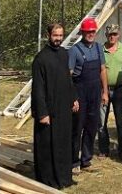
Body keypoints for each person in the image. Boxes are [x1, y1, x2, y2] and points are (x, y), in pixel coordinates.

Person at [32, 23, 78, 189]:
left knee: (63, 143)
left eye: (60, 35)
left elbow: (68, 78)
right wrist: (42, 113)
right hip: (49, 111)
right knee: (48, 145)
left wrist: (74, 98)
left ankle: (64, 177)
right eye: (55, 35)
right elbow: (37, 89)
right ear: (48, 35)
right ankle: (49, 179)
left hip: (63, 108)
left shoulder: (64, 54)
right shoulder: (41, 59)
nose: (58, 39)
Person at [68, 18, 108, 170]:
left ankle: (86, 160)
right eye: (87, 31)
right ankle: (73, 162)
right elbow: (69, 75)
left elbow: (103, 70)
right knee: (77, 128)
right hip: (80, 93)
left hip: (95, 93)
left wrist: (105, 92)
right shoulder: (74, 50)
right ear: (82, 32)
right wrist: (73, 98)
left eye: (92, 31)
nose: (90, 34)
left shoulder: (98, 48)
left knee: (91, 127)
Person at [99, 24, 122, 158]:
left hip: (119, 90)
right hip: (103, 89)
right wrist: (104, 90)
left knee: (120, 120)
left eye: (115, 34)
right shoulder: (100, 49)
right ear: (106, 35)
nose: (112, 36)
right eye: (110, 34)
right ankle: (103, 149)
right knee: (102, 121)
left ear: (118, 35)